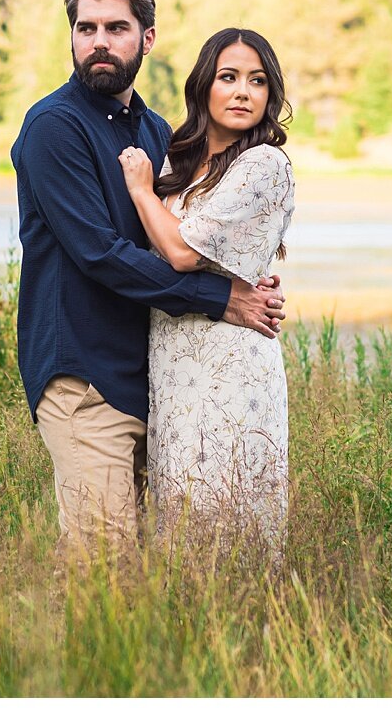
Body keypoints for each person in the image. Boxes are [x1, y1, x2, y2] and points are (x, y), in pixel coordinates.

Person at [10, 0, 287, 565]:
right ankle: (66, 659)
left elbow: (179, 239)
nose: (99, 42)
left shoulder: (157, 130)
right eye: (86, 28)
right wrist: (222, 299)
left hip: (157, 382)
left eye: (116, 27)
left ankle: (132, 661)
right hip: (85, 377)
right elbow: (101, 254)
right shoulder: (54, 128)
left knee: (159, 562)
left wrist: (238, 274)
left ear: (148, 38)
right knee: (101, 562)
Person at [117, 27, 294, 560]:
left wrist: (140, 191)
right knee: (178, 523)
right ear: (204, 86)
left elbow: (181, 254)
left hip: (231, 365)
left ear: (270, 95)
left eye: (256, 81)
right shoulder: (181, 161)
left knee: (229, 518)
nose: (242, 91)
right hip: (173, 368)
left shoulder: (263, 164)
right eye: (229, 77)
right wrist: (155, 188)